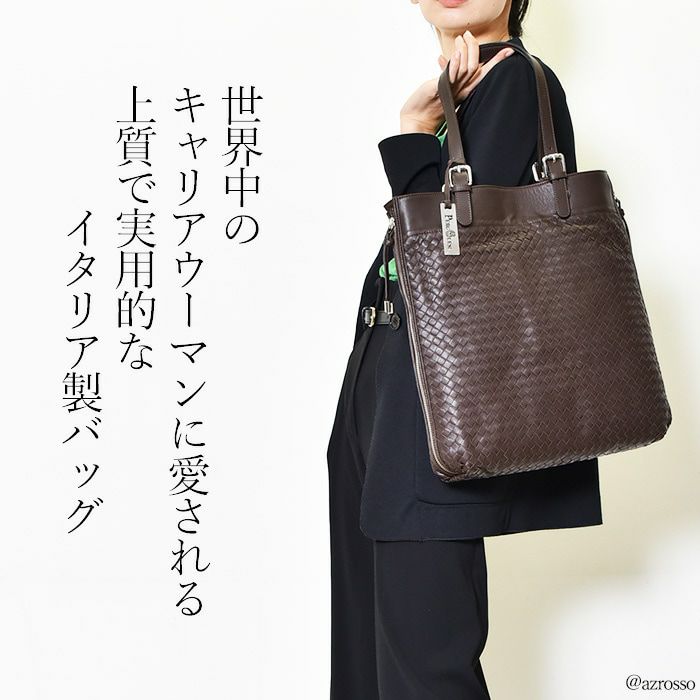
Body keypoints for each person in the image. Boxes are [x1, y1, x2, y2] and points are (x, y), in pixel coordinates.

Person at [326, 1, 603, 697]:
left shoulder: (514, 82)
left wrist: (411, 135)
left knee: (423, 666)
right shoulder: (465, 98)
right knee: (374, 663)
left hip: (436, 413)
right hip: (390, 398)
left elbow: (453, 258)